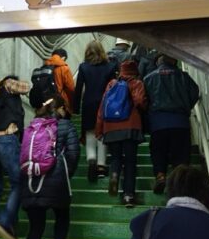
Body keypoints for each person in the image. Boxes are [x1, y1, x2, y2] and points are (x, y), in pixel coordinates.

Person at [21, 95, 80, 239]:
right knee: (62, 214)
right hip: (56, 179)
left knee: (35, 228)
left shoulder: (31, 127)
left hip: (31, 182)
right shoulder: (65, 125)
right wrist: (65, 175)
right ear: (60, 109)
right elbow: (73, 153)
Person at [0, 75, 30, 239]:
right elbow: (26, 87)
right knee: (19, 182)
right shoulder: (6, 85)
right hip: (5, 139)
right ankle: (3, 221)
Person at [143, 54, 199, 194]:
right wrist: (186, 108)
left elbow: (143, 101)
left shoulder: (148, 78)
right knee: (180, 155)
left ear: (158, 62)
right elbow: (194, 93)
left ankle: (161, 176)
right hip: (180, 122)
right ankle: (179, 184)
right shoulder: (183, 76)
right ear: (175, 61)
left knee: (158, 151)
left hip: (158, 123)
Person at [95, 60, 147, 207]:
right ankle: (128, 196)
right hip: (130, 127)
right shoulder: (137, 83)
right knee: (130, 162)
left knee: (116, 158)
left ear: (121, 71)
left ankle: (114, 175)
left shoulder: (111, 84)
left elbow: (102, 108)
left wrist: (99, 129)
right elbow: (140, 102)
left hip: (111, 128)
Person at [73, 40, 116, 181]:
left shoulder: (83, 67)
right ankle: (101, 166)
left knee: (90, 132)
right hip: (105, 103)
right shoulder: (110, 67)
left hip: (88, 104)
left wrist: (75, 108)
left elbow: (78, 88)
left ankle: (91, 159)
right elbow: (113, 88)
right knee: (102, 133)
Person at [44, 48, 76, 114]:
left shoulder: (45, 66)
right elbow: (70, 88)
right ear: (63, 58)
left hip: (46, 101)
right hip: (60, 102)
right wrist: (72, 105)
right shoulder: (64, 68)